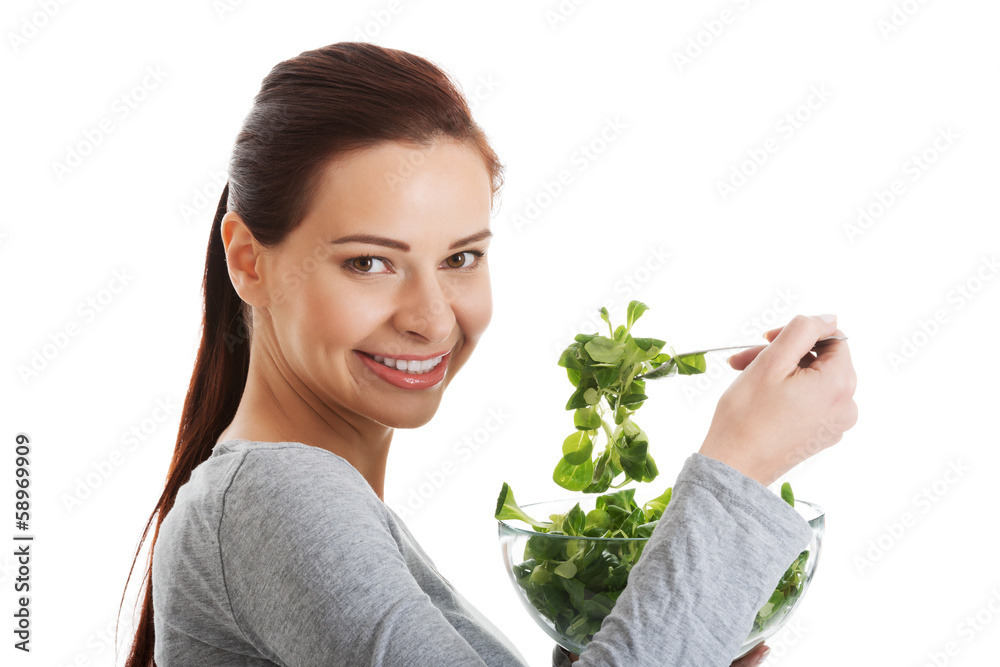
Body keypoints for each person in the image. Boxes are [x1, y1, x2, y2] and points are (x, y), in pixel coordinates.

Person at [117, 42, 857, 667]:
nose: (433, 318)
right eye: (370, 263)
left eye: (461, 257)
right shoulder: (276, 496)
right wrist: (741, 466)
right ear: (249, 262)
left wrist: (663, 632)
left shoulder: (300, 500)